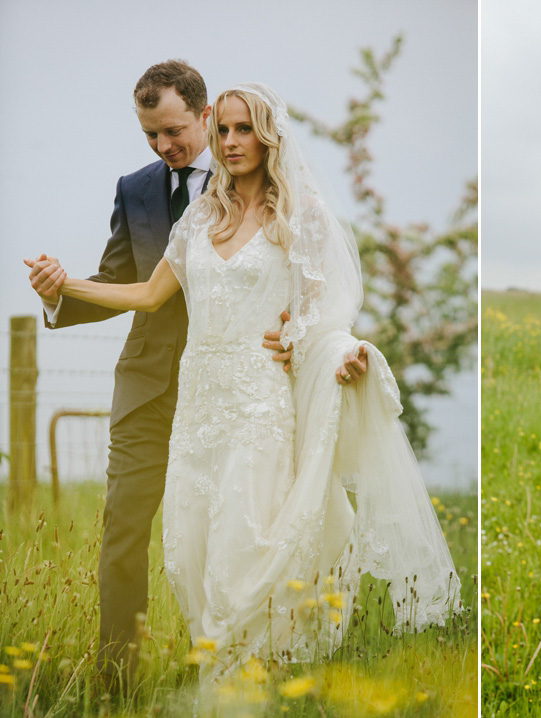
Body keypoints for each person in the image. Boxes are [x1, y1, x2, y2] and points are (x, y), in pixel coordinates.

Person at [28, 83, 460, 678]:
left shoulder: (301, 217)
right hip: (194, 410)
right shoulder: (203, 214)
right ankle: (202, 677)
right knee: (188, 557)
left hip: (257, 405)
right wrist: (63, 285)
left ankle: (243, 688)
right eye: (225, 131)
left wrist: (336, 354)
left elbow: (317, 321)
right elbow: (148, 294)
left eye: (241, 130)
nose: (230, 143)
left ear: (267, 135)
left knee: (243, 550)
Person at [25, 60, 298, 691]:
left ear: (206, 116)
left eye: (173, 131)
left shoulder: (257, 179)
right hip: (148, 387)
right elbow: (127, 283)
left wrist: (293, 328)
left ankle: (239, 670)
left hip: (235, 390)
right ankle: (117, 680)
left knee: (233, 535)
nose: (163, 146)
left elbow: (296, 275)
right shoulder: (136, 187)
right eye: (150, 135)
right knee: (124, 527)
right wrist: (58, 291)